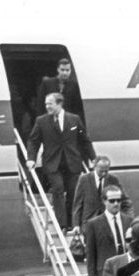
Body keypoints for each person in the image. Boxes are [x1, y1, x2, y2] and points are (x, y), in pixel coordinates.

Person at [26, 92, 96, 230]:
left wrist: (93, 158)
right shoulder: (41, 121)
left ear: (59, 103)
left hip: (72, 162)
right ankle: (61, 224)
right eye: (46, 104)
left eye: (50, 104)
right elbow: (33, 141)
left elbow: (84, 140)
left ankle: (71, 223)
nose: (47, 107)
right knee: (57, 189)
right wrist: (31, 159)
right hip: (52, 163)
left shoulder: (74, 119)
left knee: (73, 192)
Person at [84, 185, 133, 276]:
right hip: (106, 275)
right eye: (112, 201)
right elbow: (90, 254)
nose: (116, 203)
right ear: (104, 201)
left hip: (129, 272)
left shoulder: (129, 221)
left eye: (119, 200)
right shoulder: (94, 224)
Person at [72, 156, 123, 233]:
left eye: (106, 171)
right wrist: (76, 225)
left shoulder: (113, 179)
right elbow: (77, 204)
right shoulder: (84, 179)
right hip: (88, 223)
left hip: (108, 223)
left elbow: (123, 199)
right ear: (94, 167)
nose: (103, 173)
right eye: (101, 171)